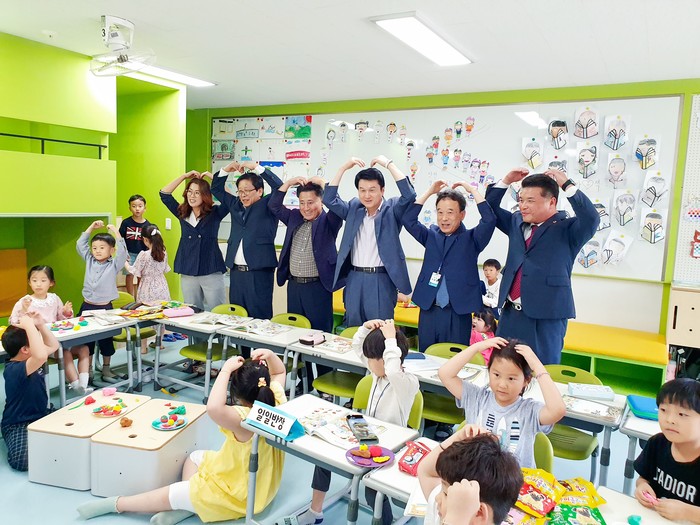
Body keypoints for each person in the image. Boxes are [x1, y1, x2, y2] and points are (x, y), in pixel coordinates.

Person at [77, 349, 287, 524]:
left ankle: (117, 504)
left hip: (240, 493)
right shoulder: (275, 398)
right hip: (259, 481)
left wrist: (225, 370)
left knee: (172, 492)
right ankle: (189, 506)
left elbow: (213, 407)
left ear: (237, 394)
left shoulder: (243, 417)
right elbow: (279, 371)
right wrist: (270, 355)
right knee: (194, 458)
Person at [289, 319, 419, 525]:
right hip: (366, 435)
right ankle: (315, 511)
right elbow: (358, 347)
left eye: (373, 358)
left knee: (372, 492)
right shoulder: (377, 373)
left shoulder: (407, 382)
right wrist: (365, 328)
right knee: (324, 458)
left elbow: (394, 370)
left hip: (391, 445)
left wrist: (391, 339)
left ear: (387, 357)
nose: (368, 362)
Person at [484, 169, 599, 364]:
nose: (523, 206)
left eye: (530, 201)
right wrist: (506, 180)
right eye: (521, 200)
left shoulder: (569, 228)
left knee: (541, 370)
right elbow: (490, 208)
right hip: (510, 313)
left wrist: (566, 184)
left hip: (546, 316)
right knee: (502, 367)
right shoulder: (516, 221)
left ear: (552, 202)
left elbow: (591, 218)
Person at [438, 337, 566, 468]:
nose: (502, 384)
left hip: (514, 479)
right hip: (476, 474)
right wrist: (476, 348)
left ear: (526, 381)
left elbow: (558, 410)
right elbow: (445, 374)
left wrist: (536, 365)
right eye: (496, 375)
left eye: (511, 378)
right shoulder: (477, 398)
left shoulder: (529, 410)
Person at [402, 180, 495, 352]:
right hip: (429, 310)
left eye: (450, 212)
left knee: (455, 357)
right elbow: (408, 219)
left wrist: (472, 190)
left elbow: (489, 220)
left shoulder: (472, 239)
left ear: (462, 215)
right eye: (440, 212)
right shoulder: (431, 235)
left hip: (458, 312)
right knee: (427, 355)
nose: (444, 218)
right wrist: (429, 192)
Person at [268, 176, 342, 392]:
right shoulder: (293, 217)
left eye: (311, 202)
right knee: (298, 337)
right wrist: (288, 183)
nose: (306, 207)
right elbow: (274, 205)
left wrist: (324, 184)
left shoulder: (329, 220)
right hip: (295, 287)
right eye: (302, 203)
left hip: (318, 288)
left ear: (321, 201)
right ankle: (305, 381)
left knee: (321, 338)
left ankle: (327, 387)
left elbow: (338, 206)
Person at [323, 156, 416, 326]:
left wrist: (388, 164)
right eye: (362, 190)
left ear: (382, 190)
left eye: (372, 190)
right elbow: (329, 199)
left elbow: (409, 195)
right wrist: (343, 168)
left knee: (379, 331)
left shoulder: (392, 210)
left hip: (381, 279)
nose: (367, 195)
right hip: (354, 278)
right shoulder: (354, 208)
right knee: (354, 328)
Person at [211, 160, 283, 320]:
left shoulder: (268, 204)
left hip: (259, 271)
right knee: (237, 316)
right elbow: (215, 188)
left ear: (259, 191)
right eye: (240, 191)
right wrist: (226, 169)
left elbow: (279, 186)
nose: (243, 195)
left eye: (247, 191)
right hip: (236, 272)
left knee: (259, 316)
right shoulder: (235, 204)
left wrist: (256, 168)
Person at [9, 265, 91, 394]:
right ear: (29, 282)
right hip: (43, 343)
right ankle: (76, 385)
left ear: (51, 283)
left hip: (60, 338)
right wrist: (24, 309)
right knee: (65, 353)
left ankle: (83, 385)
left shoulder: (54, 298)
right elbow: (14, 323)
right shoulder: (25, 301)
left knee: (84, 349)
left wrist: (66, 312)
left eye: (43, 280)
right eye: (34, 280)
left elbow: (62, 320)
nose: (38, 284)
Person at [418, 426, 523, 525]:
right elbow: (426, 472)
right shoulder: (444, 512)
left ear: (478, 513)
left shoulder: (451, 517)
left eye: (446, 494)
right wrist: (458, 437)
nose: (437, 497)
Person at [633, 378, 700, 523]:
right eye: (663, 410)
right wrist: (642, 486)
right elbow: (643, 478)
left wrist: (687, 512)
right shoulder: (657, 443)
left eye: (682, 414)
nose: (669, 420)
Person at [160, 171, 228, 311]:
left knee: (218, 311)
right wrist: (184, 176)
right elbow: (164, 194)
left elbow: (231, 199)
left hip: (211, 268)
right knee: (192, 311)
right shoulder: (182, 212)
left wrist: (214, 177)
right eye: (190, 191)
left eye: (197, 193)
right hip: (188, 269)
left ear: (205, 195)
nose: (192, 196)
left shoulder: (215, 212)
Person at [1, 312, 59, 471]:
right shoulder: (13, 369)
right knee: (22, 460)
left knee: (76, 431)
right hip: (18, 423)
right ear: (25, 349)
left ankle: (44, 443)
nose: (39, 345)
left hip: (41, 415)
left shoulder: (31, 358)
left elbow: (53, 346)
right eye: (35, 341)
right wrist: (28, 326)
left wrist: (40, 325)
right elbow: (41, 356)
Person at [76, 220, 128, 380]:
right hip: (87, 307)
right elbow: (80, 244)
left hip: (105, 308)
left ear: (111, 250)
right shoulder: (89, 260)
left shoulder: (114, 264)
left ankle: (106, 368)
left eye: (102, 248)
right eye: (95, 248)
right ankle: (88, 370)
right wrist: (91, 227)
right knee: (87, 341)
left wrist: (116, 232)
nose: (97, 251)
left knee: (106, 340)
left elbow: (123, 253)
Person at [124, 225, 171, 353]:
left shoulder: (144, 255)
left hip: (147, 287)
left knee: (144, 315)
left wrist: (125, 262)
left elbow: (135, 271)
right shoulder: (164, 252)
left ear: (145, 239)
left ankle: (143, 347)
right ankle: (159, 343)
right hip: (162, 286)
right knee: (160, 314)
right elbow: (165, 269)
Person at [119, 194, 151, 298]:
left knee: (141, 276)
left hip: (142, 254)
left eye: (140, 206)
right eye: (134, 206)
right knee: (129, 275)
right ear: (130, 208)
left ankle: (140, 297)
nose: (137, 209)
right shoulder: (126, 223)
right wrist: (123, 253)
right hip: (129, 254)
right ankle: (130, 298)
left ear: (145, 208)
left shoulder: (148, 225)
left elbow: (150, 241)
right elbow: (121, 238)